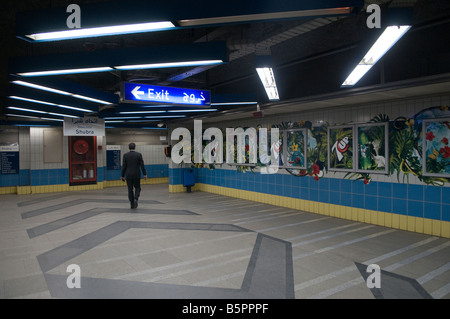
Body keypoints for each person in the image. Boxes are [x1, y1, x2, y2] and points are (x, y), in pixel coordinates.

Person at [121, 143, 147, 209]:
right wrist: (144, 174)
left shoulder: (125, 155)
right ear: (135, 147)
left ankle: (132, 204)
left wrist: (122, 175)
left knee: (130, 189)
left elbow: (124, 166)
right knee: (138, 187)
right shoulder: (138, 155)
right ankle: (136, 199)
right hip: (136, 174)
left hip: (128, 175)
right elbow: (142, 165)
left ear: (129, 148)